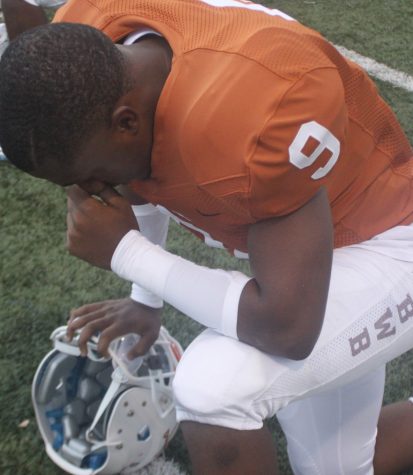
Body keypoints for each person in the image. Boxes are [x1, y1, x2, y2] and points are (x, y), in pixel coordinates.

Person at [1, 1, 413, 474]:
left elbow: (288, 328)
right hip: (314, 250)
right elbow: (140, 164)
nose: (94, 192)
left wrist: (129, 254)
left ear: (126, 123)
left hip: (391, 239)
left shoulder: (258, 118)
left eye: (92, 175)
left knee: (213, 385)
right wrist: (145, 299)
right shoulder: (94, 57)